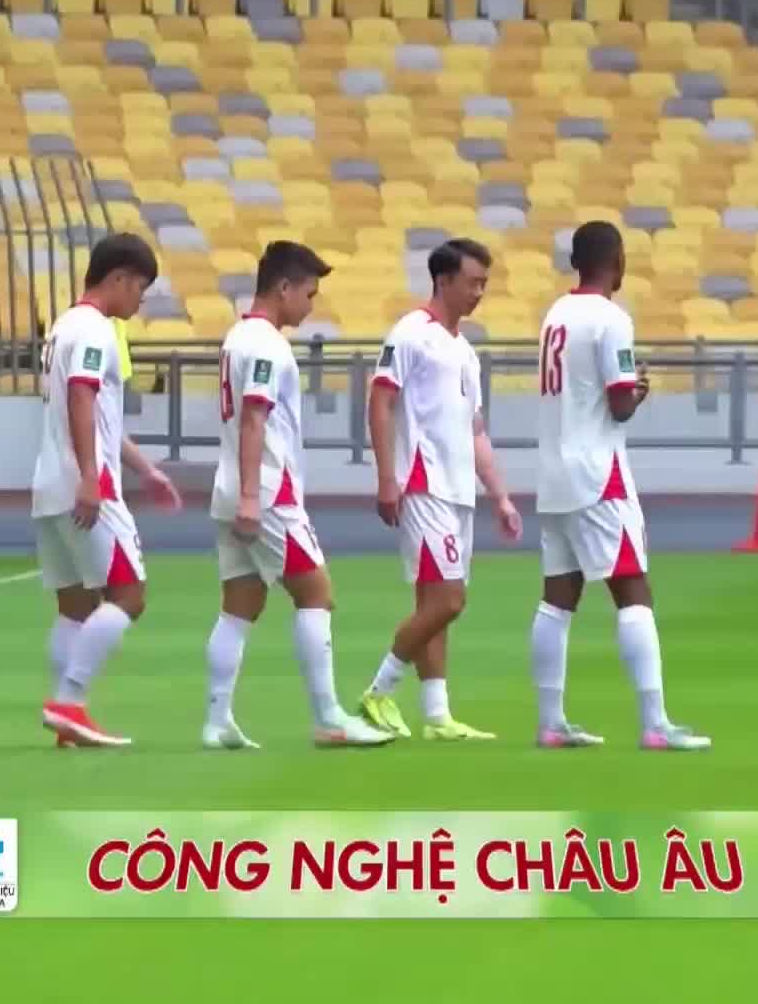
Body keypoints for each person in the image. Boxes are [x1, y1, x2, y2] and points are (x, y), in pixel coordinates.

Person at [201, 241, 396, 749]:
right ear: (283, 288)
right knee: (317, 593)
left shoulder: (236, 337)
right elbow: (254, 416)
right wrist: (252, 495)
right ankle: (329, 717)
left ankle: (217, 719)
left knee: (239, 604)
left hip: (231, 485)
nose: (311, 305)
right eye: (308, 293)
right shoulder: (266, 344)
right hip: (266, 490)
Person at [529, 221, 708, 751]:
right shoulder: (611, 319)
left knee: (557, 598)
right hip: (597, 472)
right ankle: (655, 724)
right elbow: (620, 402)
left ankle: (550, 721)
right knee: (633, 589)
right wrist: (639, 390)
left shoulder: (554, 315)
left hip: (554, 472)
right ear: (616, 260)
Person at [356, 239, 523, 742]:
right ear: (444, 280)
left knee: (434, 601)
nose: (479, 292)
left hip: (458, 489)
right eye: (472, 282)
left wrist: (500, 495)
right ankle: (378, 690)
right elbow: (381, 401)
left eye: (484, 284)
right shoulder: (412, 334)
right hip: (422, 482)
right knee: (449, 599)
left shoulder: (465, 353)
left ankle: (436, 714)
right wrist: (387, 476)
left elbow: (475, 431)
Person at [33, 233, 182, 748]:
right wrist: (93, 478)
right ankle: (69, 700)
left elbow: (97, 414)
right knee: (129, 595)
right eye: (140, 288)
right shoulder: (96, 331)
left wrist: (145, 469)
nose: (139, 302)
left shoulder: (64, 328)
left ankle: (66, 716)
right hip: (85, 485)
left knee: (74, 605)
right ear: (119, 278)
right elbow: (83, 398)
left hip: (49, 483)